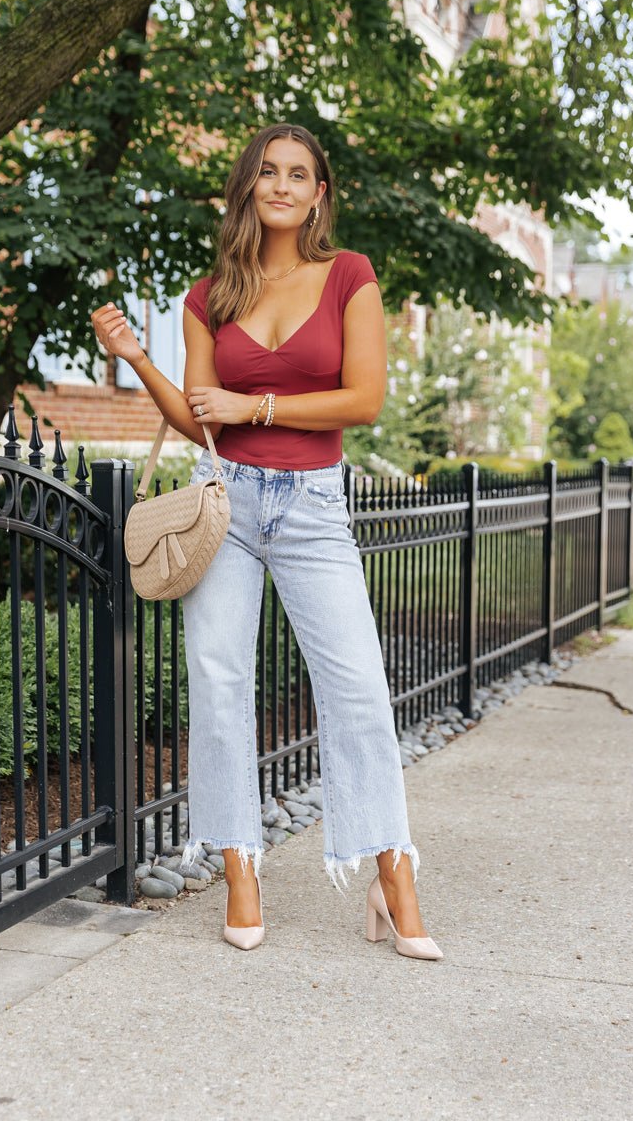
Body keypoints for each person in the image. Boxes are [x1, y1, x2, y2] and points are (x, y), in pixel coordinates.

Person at [91, 122, 443, 960]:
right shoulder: (211, 293)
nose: (282, 185)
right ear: (250, 186)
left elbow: (363, 401)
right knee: (219, 681)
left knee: (357, 686)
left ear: (319, 192)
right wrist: (141, 361)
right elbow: (199, 416)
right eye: (269, 172)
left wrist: (260, 408)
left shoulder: (350, 276)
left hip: (314, 505)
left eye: (300, 174)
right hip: (228, 505)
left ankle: (392, 876)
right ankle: (240, 866)